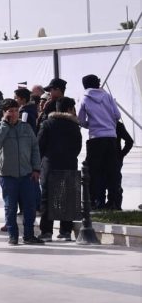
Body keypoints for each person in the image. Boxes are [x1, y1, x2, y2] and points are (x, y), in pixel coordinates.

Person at [0, 98, 43, 246]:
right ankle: (12, 235)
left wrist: (36, 169)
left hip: (27, 174)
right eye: (10, 111)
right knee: (10, 207)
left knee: (29, 207)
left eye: (16, 111)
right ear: (4, 113)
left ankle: (29, 235)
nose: (14, 114)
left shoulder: (26, 127)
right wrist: (5, 125)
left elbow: (35, 148)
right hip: (8, 175)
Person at [37, 97, 83, 242]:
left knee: (47, 198)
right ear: (69, 109)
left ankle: (46, 232)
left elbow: (39, 145)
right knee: (68, 198)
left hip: (50, 164)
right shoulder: (74, 126)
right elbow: (78, 147)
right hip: (69, 163)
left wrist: (40, 162)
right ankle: (65, 232)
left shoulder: (47, 124)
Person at [77, 74, 122, 210]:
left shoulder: (84, 98)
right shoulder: (107, 96)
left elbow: (80, 119)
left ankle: (97, 201)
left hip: (96, 138)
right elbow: (118, 115)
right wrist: (109, 124)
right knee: (112, 170)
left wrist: (90, 125)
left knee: (95, 171)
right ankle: (113, 202)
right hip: (111, 137)